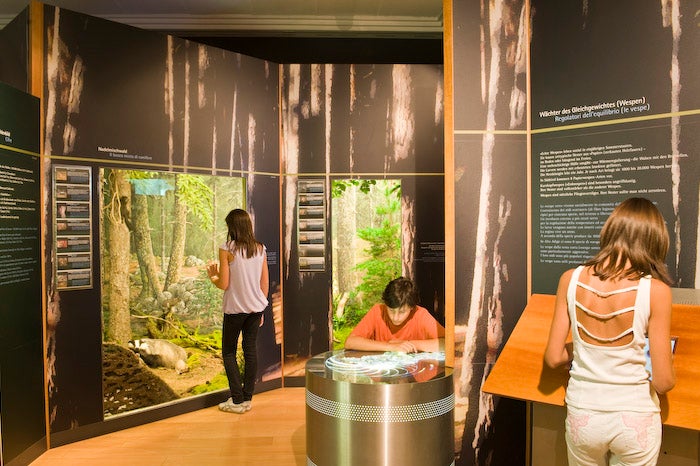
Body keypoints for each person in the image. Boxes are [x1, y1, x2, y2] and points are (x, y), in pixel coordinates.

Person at [544, 197, 676, 465]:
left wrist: (585, 349)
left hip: (583, 414)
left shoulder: (570, 279)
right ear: (655, 239)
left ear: (611, 231)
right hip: (634, 417)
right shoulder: (656, 291)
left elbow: (554, 357)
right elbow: (663, 381)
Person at [207, 209, 269, 414]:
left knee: (229, 352)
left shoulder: (227, 249)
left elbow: (224, 284)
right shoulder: (260, 248)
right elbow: (264, 283)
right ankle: (247, 399)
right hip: (255, 309)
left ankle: (236, 400)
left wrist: (213, 277)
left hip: (235, 310)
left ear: (232, 227)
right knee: (250, 350)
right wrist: (261, 309)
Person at [344, 277, 444, 353]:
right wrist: (391, 346)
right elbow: (350, 342)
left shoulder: (420, 314)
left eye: (402, 312)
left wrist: (408, 345)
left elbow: (447, 343)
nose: (395, 318)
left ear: (412, 307)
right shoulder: (377, 311)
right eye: (391, 310)